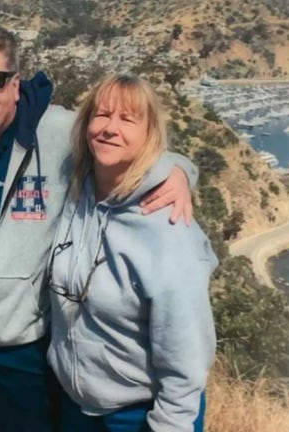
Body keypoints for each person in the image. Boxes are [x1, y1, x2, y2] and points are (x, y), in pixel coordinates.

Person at [0, 23, 199, 432]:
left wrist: (180, 172)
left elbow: (128, 145)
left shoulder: (57, 132)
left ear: (14, 83)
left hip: (17, 354)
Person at [46, 74, 217, 432]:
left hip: (138, 415)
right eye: (102, 115)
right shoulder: (78, 191)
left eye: (127, 119)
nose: (110, 128)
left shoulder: (167, 227)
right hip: (74, 406)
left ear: (150, 135)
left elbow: (186, 358)